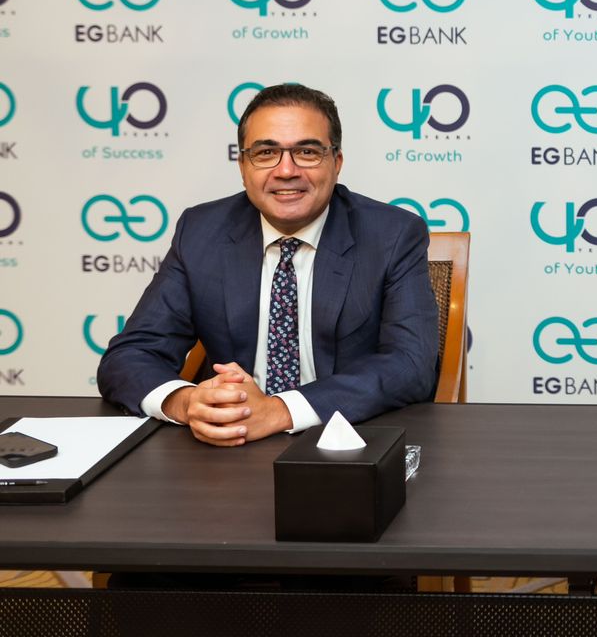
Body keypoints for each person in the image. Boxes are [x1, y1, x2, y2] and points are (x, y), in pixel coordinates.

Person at [98, 83, 438, 446]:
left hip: (347, 443)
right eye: (266, 153)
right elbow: (130, 355)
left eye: (307, 152)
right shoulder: (200, 232)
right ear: (243, 166)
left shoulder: (392, 235)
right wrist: (187, 402)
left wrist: (278, 410)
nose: (286, 170)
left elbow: (410, 364)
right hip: (227, 447)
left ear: (336, 162)